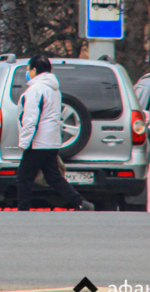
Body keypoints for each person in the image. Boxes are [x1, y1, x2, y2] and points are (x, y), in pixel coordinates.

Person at [16, 54, 94, 211]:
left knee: (24, 177)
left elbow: (31, 118)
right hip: (52, 141)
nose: (27, 73)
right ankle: (80, 202)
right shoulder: (54, 90)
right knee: (53, 177)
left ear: (34, 70)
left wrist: (24, 143)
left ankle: (23, 208)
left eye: (28, 70)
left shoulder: (35, 90)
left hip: (38, 142)